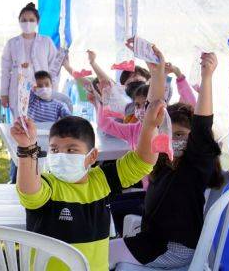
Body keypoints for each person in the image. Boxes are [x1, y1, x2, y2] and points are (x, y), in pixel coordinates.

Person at [11, 99, 164, 270]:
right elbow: (29, 193)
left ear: (92, 157)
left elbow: (142, 162)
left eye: (71, 150)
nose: (61, 155)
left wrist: (150, 126)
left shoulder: (102, 180)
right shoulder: (48, 184)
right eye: (54, 149)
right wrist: (26, 148)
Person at [109, 53, 224, 269]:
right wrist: (157, 73)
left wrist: (207, 77)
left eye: (180, 135)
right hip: (153, 242)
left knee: (96, 255)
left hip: (171, 248)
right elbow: (154, 110)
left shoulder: (194, 165)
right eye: (170, 133)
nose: (173, 139)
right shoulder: (163, 161)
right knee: (99, 250)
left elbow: (202, 125)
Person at [8, 70, 72, 183]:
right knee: (19, 157)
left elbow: (68, 119)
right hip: (29, 139)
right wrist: (24, 77)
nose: (44, 88)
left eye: (47, 84)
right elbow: (24, 91)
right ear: (34, 89)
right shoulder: (32, 101)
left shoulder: (59, 104)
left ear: (52, 85)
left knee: (46, 167)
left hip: (48, 141)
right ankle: (14, 181)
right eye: (39, 86)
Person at [0, 2, 62, 118]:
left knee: (42, 125)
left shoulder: (46, 41)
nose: (27, 23)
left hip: (42, 90)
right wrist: (4, 94)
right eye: (23, 20)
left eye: (31, 20)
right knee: (20, 125)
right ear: (19, 22)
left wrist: (52, 90)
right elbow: (5, 71)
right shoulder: (12, 43)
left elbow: (55, 69)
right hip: (18, 91)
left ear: (37, 22)